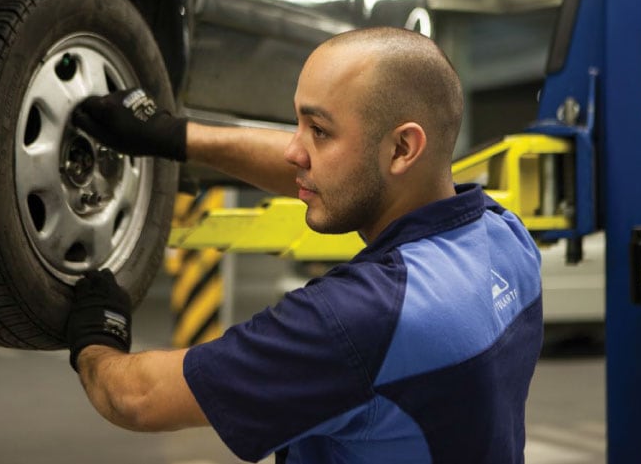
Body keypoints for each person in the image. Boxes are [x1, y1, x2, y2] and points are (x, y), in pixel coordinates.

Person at [66, 26, 543, 464]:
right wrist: (176, 136)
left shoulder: (359, 322)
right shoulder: (505, 239)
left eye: (318, 130)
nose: (295, 152)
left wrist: (95, 339)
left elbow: (138, 399)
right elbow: (347, 171)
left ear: (402, 149)